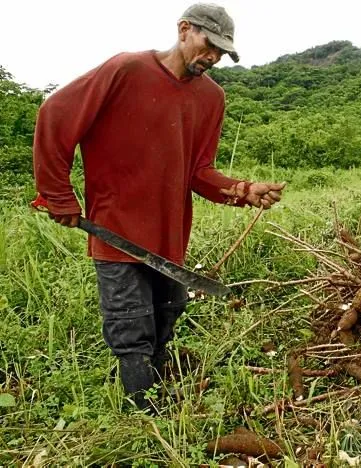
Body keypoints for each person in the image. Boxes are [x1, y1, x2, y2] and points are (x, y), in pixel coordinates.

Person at [32, 3, 285, 411]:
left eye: (222, 52)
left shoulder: (211, 98)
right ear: (184, 29)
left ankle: (160, 393)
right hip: (116, 232)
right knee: (131, 328)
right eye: (210, 45)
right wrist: (58, 194)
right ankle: (143, 418)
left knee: (168, 313)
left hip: (169, 235)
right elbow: (55, 115)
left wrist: (243, 189)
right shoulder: (126, 70)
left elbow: (199, 171)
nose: (214, 57)